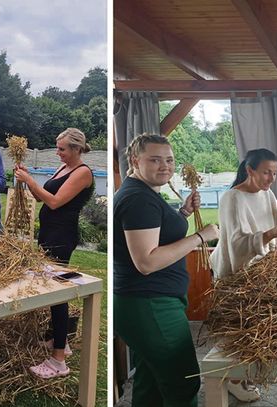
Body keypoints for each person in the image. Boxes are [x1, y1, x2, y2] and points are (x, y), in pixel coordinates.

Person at [114, 134, 218, 407]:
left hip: (146, 303)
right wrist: (199, 237)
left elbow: (156, 234)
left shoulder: (143, 194)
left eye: (169, 160)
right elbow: (146, 262)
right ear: (136, 160)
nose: (165, 166)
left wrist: (181, 213)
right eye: (155, 159)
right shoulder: (139, 200)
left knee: (151, 384)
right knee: (182, 382)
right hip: (150, 305)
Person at [210, 148, 277, 401]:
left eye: (274, 173)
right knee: (237, 329)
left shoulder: (266, 193)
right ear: (250, 170)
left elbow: (276, 212)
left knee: (254, 329)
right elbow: (236, 243)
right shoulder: (233, 198)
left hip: (259, 273)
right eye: (266, 172)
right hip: (235, 274)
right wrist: (273, 233)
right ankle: (232, 380)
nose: (271, 179)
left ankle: (244, 376)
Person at [15, 128, 94, 379]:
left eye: (62, 149)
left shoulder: (82, 173)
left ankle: (58, 360)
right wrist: (28, 179)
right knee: (51, 289)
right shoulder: (63, 168)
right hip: (49, 233)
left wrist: (30, 182)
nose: (58, 152)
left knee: (57, 293)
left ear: (76, 149)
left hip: (61, 236)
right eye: (58, 147)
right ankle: (61, 342)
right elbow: (43, 198)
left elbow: (55, 202)